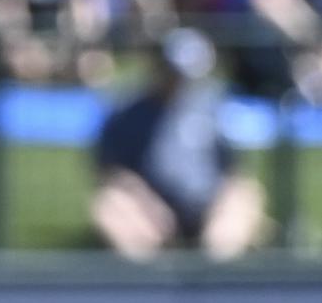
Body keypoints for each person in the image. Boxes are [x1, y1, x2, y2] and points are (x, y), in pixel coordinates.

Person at [91, 28, 266, 261]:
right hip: (150, 209)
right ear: (158, 66)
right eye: (173, 72)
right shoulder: (126, 113)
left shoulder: (211, 104)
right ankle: (150, 278)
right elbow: (111, 173)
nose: (178, 81)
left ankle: (217, 274)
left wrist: (224, 199)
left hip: (206, 206)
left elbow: (234, 172)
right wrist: (145, 201)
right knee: (109, 205)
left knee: (245, 195)